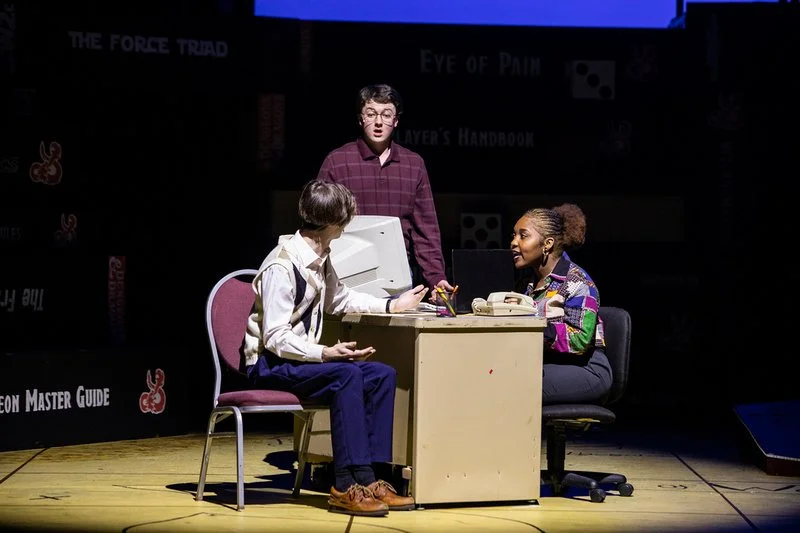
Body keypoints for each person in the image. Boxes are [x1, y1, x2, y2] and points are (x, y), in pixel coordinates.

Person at [243, 180, 429, 517]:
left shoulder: (318, 257)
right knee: (344, 375)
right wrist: (325, 353)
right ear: (333, 224)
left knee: (380, 374)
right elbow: (274, 337)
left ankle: (371, 477)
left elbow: (340, 297)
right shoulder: (282, 266)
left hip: (298, 361)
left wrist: (392, 305)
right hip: (270, 364)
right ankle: (345, 484)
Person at [316, 83, 453, 298]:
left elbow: (426, 231)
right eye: (371, 114)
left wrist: (436, 278)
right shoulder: (337, 162)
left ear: (396, 120)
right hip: (343, 274)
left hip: (396, 275)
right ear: (361, 118)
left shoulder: (413, 165)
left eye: (386, 115)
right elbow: (318, 223)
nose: (378, 122)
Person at [509, 203, 612, 404]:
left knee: (516, 385)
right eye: (513, 235)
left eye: (523, 236)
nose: (514, 242)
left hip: (586, 369)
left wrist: (532, 322)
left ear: (547, 244)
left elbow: (580, 341)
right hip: (552, 363)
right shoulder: (526, 283)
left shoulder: (577, 282)